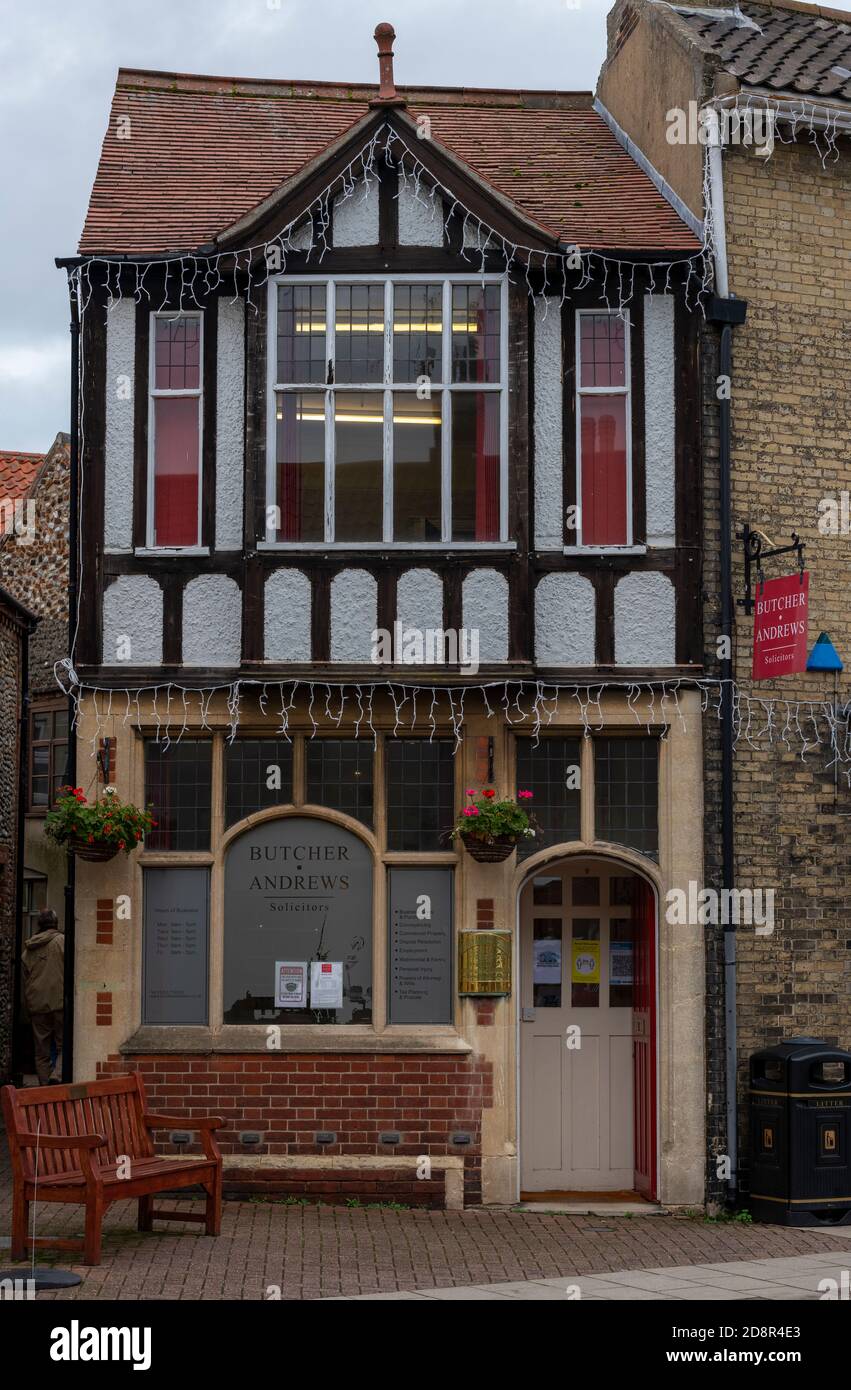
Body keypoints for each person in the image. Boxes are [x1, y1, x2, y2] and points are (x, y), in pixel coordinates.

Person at [22, 908, 64, 1085]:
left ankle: (44, 1088)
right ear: (55, 923)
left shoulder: (29, 949)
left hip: (37, 1005)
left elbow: (26, 976)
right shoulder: (62, 941)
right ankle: (57, 1074)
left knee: (41, 1052)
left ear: (39, 924)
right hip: (59, 1003)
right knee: (64, 1045)